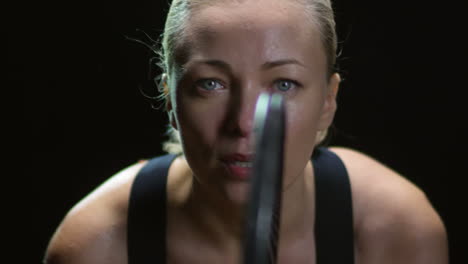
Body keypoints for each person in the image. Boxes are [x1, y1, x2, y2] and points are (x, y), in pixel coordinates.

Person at [44, 0, 449, 263]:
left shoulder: (396, 232)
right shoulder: (97, 246)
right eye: (210, 83)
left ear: (328, 100)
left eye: (283, 84)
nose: (242, 123)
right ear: (169, 98)